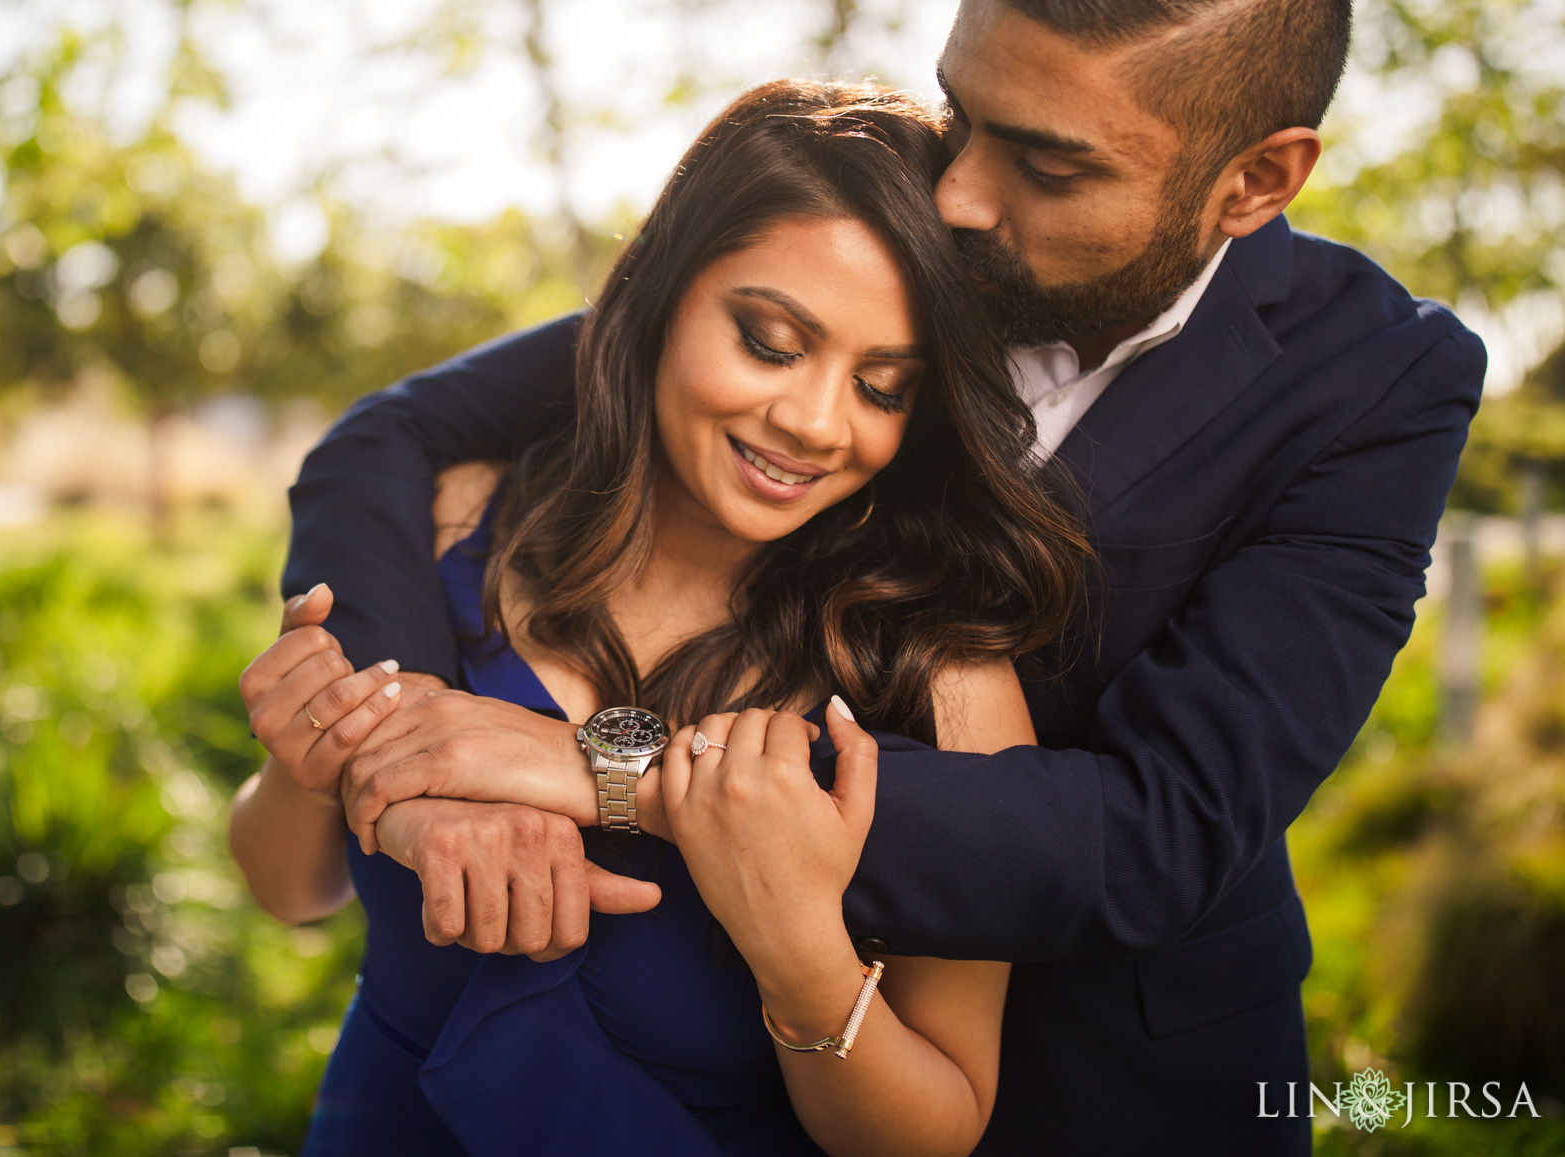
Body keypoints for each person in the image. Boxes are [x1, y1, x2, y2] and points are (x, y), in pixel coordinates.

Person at [278, 0, 1486, 1156]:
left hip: (1121, 1085)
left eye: (1048, 162)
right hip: (740, 1057)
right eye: (963, 110)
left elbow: (1159, 833)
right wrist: (418, 740)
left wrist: (601, 774)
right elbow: (396, 433)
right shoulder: (910, 220)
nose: (962, 191)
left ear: (1256, 179)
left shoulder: (1379, 381)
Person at [231, 82, 1091, 1155]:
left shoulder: (938, 681)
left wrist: (797, 953)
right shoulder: (457, 520)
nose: (814, 423)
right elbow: (290, 890)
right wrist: (299, 767)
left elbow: (935, 1131)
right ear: (659, 293)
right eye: (770, 342)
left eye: (881, 387)